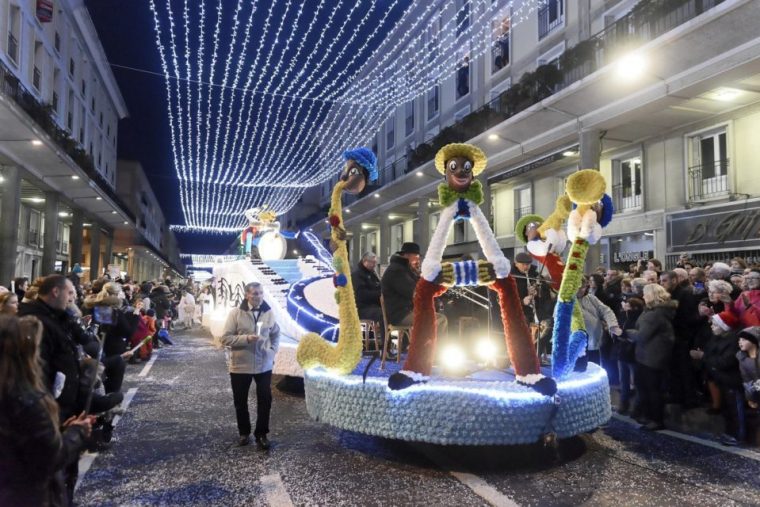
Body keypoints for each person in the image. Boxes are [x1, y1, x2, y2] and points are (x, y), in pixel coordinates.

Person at [0, 315, 93, 507]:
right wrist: (77, 433)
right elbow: (50, 458)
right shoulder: (26, 400)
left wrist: (57, 432)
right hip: (27, 494)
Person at [220, 282, 280, 450]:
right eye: (254, 293)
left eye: (260, 293)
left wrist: (273, 350)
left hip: (263, 365)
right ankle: (244, 432)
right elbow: (225, 338)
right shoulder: (236, 313)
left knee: (265, 400)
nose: (258, 296)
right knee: (240, 401)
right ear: (247, 295)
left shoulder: (268, 312)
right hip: (240, 366)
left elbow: (276, 333)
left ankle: (261, 434)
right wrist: (246, 339)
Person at [628, 284, 677, 431]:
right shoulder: (656, 311)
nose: (643, 296)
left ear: (652, 296)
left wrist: (628, 333)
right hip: (650, 355)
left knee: (651, 389)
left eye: (645, 294)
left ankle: (655, 419)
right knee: (648, 387)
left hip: (651, 356)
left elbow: (642, 335)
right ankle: (648, 415)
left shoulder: (654, 314)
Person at [381, 242, 447, 337]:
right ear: (407, 256)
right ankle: (433, 349)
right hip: (400, 314)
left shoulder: (405, 269)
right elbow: (414, 292)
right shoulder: (397, 271)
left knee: (434, 315)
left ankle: (427, 347)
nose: (418, 260)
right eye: (416, 256)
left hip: (406, 311)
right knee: (440, 319)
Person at [576, 276, 622, 366]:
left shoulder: (591, 298)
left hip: (595, 343)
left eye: (583, 287)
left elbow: (606, 310)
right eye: (579, 287)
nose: (582, 290)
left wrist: (612, 325)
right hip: (578, 346)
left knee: (595, 369)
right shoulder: (566, 302)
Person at [351, 251, 384, 347]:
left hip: (372, 305)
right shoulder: (357, 275)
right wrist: (379, 294)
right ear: (365, 261)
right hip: (362, 308)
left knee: (390, 311)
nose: (374, 265)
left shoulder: (372, 274)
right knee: (383, 315)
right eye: (372, 262)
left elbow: (378, 287)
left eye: (375, 263)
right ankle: (385, 344)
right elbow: (361, 295)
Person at [737, 326, 760, 410]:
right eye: (739, 340)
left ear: (753, 341)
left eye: (744, 340)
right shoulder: (742, 359)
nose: (740, 342)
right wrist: (750, 398)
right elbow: (747, 381)